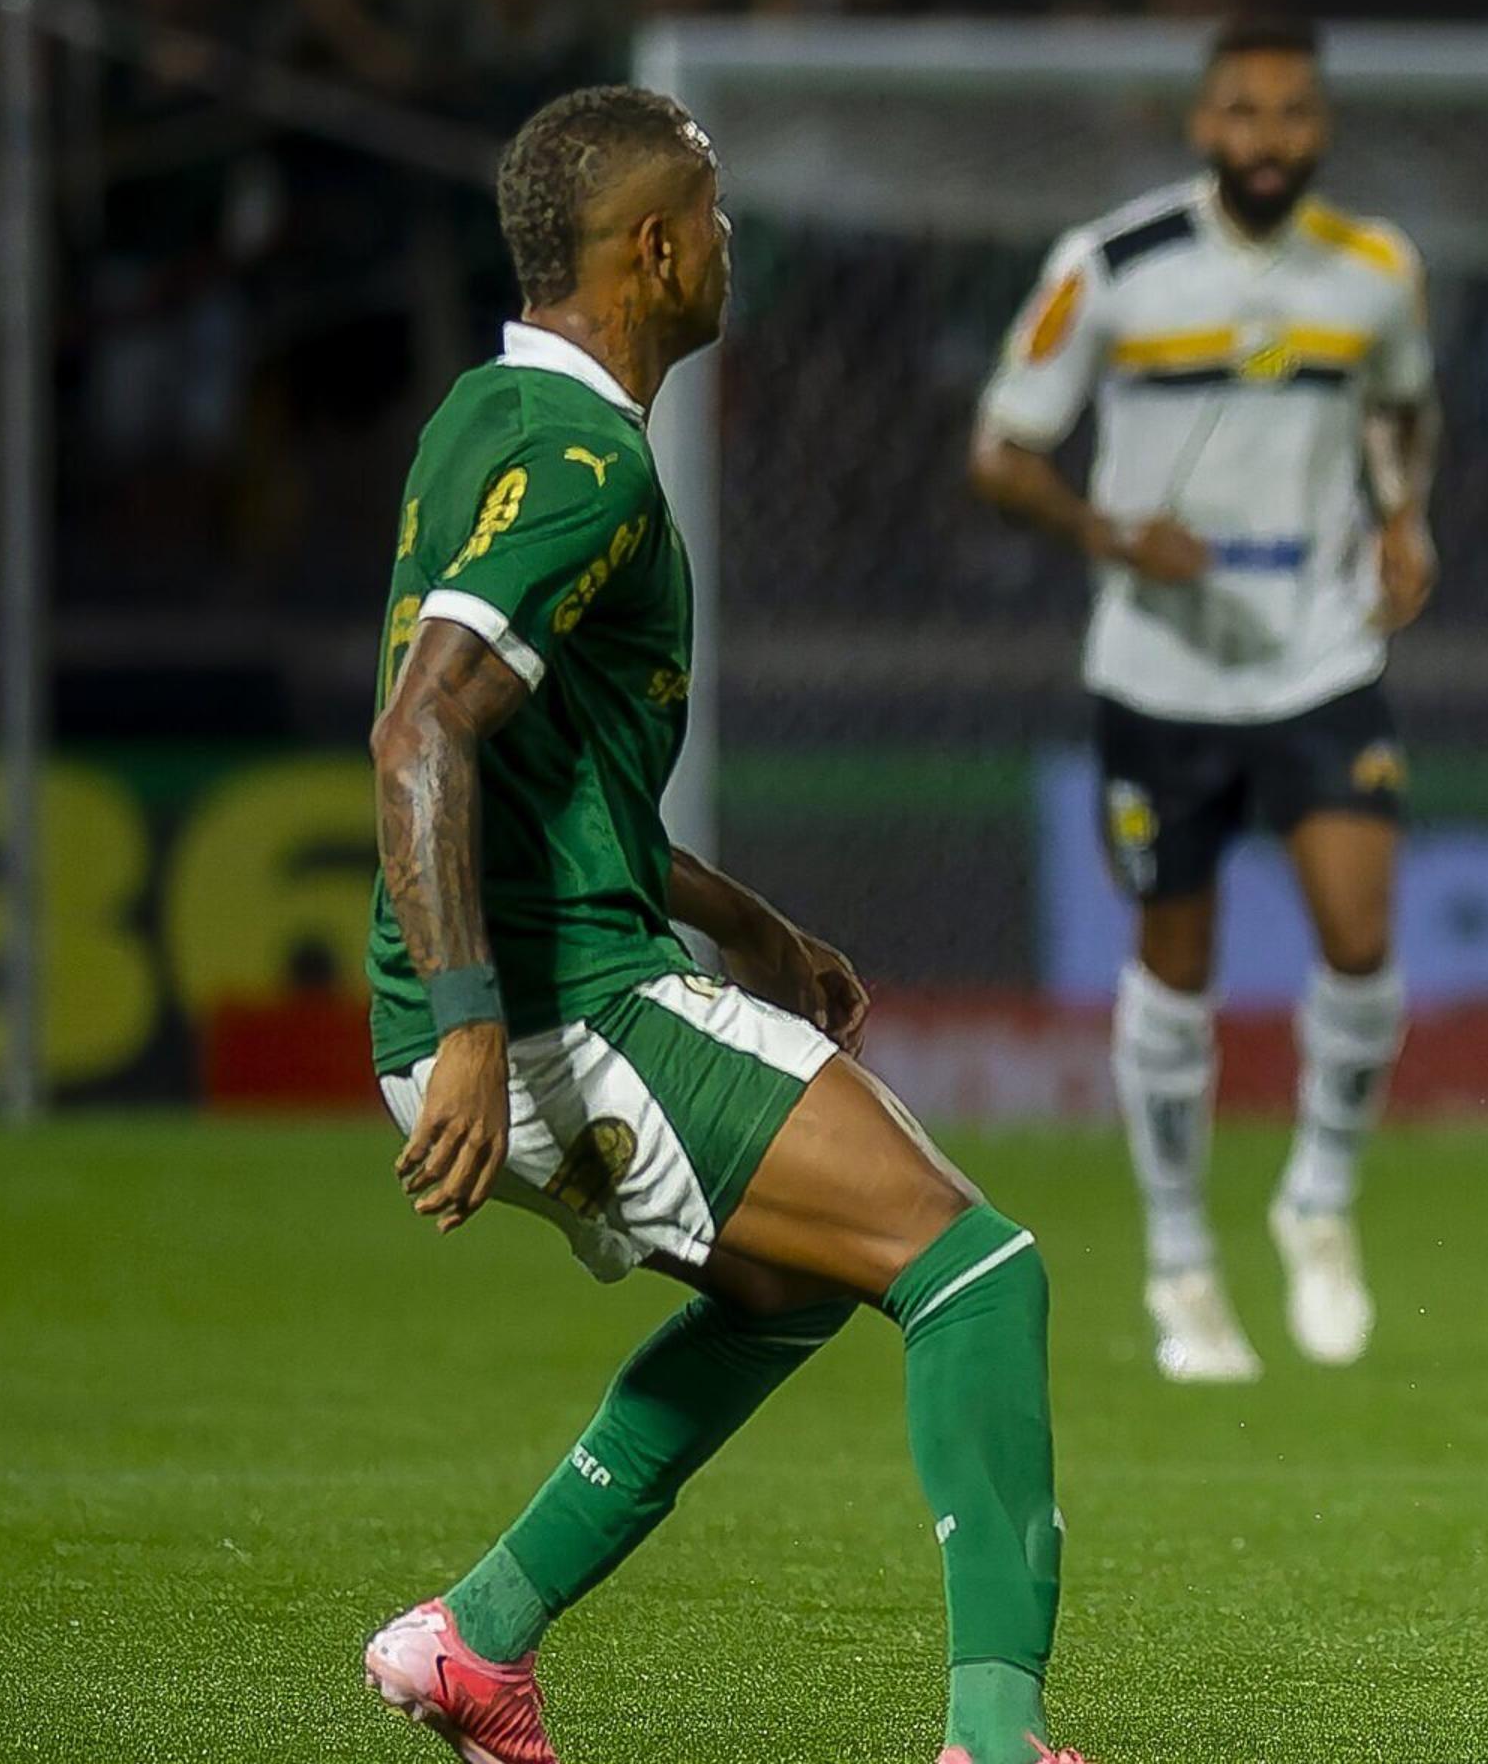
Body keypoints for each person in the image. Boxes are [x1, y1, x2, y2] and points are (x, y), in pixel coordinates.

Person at [362, 87, 1079, 1764]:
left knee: (794, 1284)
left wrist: (745, 918)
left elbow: (528, 753)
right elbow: (419, 735)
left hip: (520, 996)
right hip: (552, 1008)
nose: (732, 242)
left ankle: (477, 1639)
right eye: (719, 212)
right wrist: (477, 1027)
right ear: (661, 246)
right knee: (976, 1271)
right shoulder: (585, 458)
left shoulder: (486, 418)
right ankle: (994, 1737)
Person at [968, 14, 1441, 1383]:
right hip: (1161, 661)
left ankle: (1320, 1199)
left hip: (1318, 644)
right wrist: (1111, 534)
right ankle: (1180, 1257)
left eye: (1293, 114)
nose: (1268, 139)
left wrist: (1406, 519)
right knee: (1179, 957)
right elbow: (1003, 450)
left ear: (1322, 129)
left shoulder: (1374, 270)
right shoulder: (1111, 268)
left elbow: (1403, 405)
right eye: (1243, 112)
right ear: (1201, 126)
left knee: (1361, 930)